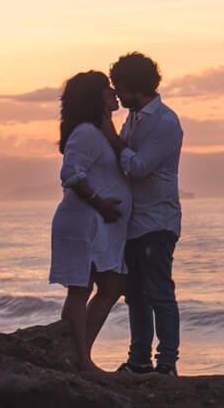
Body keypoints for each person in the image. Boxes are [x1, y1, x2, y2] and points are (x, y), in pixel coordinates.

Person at [49, 70, 131, 372]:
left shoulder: (102, 132)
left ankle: (78, 354)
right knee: (80, 289)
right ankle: (80, 360)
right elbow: (70, 173)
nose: (114, 93)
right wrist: (100, 203)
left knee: (112, 285)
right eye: (108, 89)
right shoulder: (85, 132)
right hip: (81, 221)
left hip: (97, 224)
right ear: (96, 96)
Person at [108, 52, 184, 376]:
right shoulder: (135, 117)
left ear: (135, 87)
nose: (117, 95)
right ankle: (139, 359)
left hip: (157, 221)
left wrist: (111, 139)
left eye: (120, 88)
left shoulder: (164, 123)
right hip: (134, 222)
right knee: (135, 295)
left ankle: (167, 363)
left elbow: (138, 168)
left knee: (159, 293)